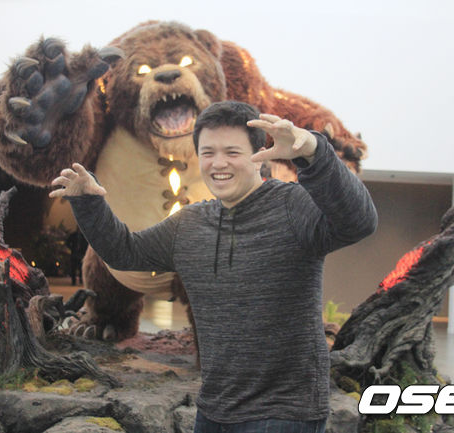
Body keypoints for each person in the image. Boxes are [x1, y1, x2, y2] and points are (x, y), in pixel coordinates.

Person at [50, 101, 378, 433]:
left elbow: (360, 221)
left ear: (258, 155)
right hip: (214, 410)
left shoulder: (293, 207)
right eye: (208, 153)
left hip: (285, 413)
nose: (219, 163)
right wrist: (89, 204)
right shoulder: (189, 224)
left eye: (232, 152)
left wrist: (314, 152)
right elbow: (125, 252)